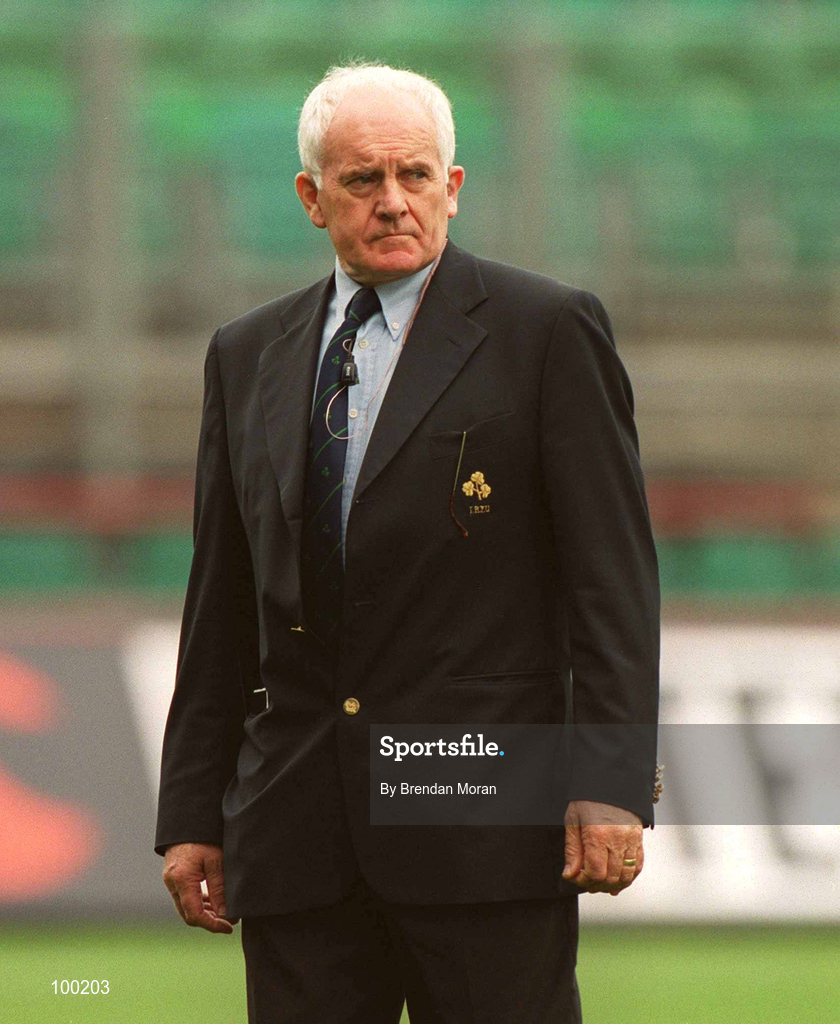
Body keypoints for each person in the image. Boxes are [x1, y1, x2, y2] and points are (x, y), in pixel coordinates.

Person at [155, 62, 660, 1023]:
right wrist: (190, 812)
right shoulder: (244, 352)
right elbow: (221, 599)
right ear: (312, 197)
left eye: (417, 176)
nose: (394, 202)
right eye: (362, 181)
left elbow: (614, 580)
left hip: (481, 823)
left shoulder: (546, 330)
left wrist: (610, 779)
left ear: (453, 187)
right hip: (297, 829)